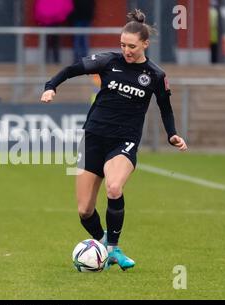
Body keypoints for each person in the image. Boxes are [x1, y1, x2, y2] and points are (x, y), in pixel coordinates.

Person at [40, 9, 187, 271]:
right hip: (93, 136)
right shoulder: (108, 61)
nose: (126, 50)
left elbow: (165, 107)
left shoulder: (155, 75)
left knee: (114, 188)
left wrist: (171, 133)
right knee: (85, 210)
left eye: (131, 46)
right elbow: (72, 69)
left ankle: (112, 249)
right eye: (122, 45)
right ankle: (104, 246)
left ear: (145, 44)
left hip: (124, 140)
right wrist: (50, 86)